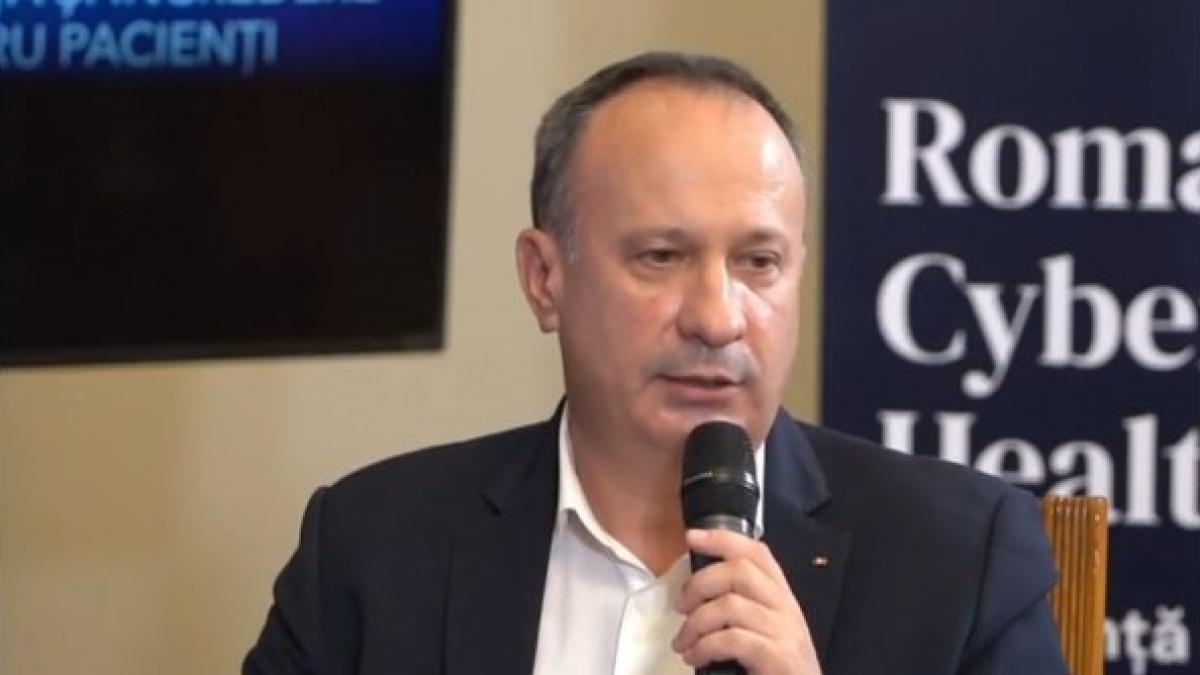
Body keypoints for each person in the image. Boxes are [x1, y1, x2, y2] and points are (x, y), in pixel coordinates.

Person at [244, 52, 1066, 675]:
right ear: (545, 278)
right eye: (661, 257)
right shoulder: (373, 547)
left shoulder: (959, 560)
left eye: (759, 262)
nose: (717, 317)